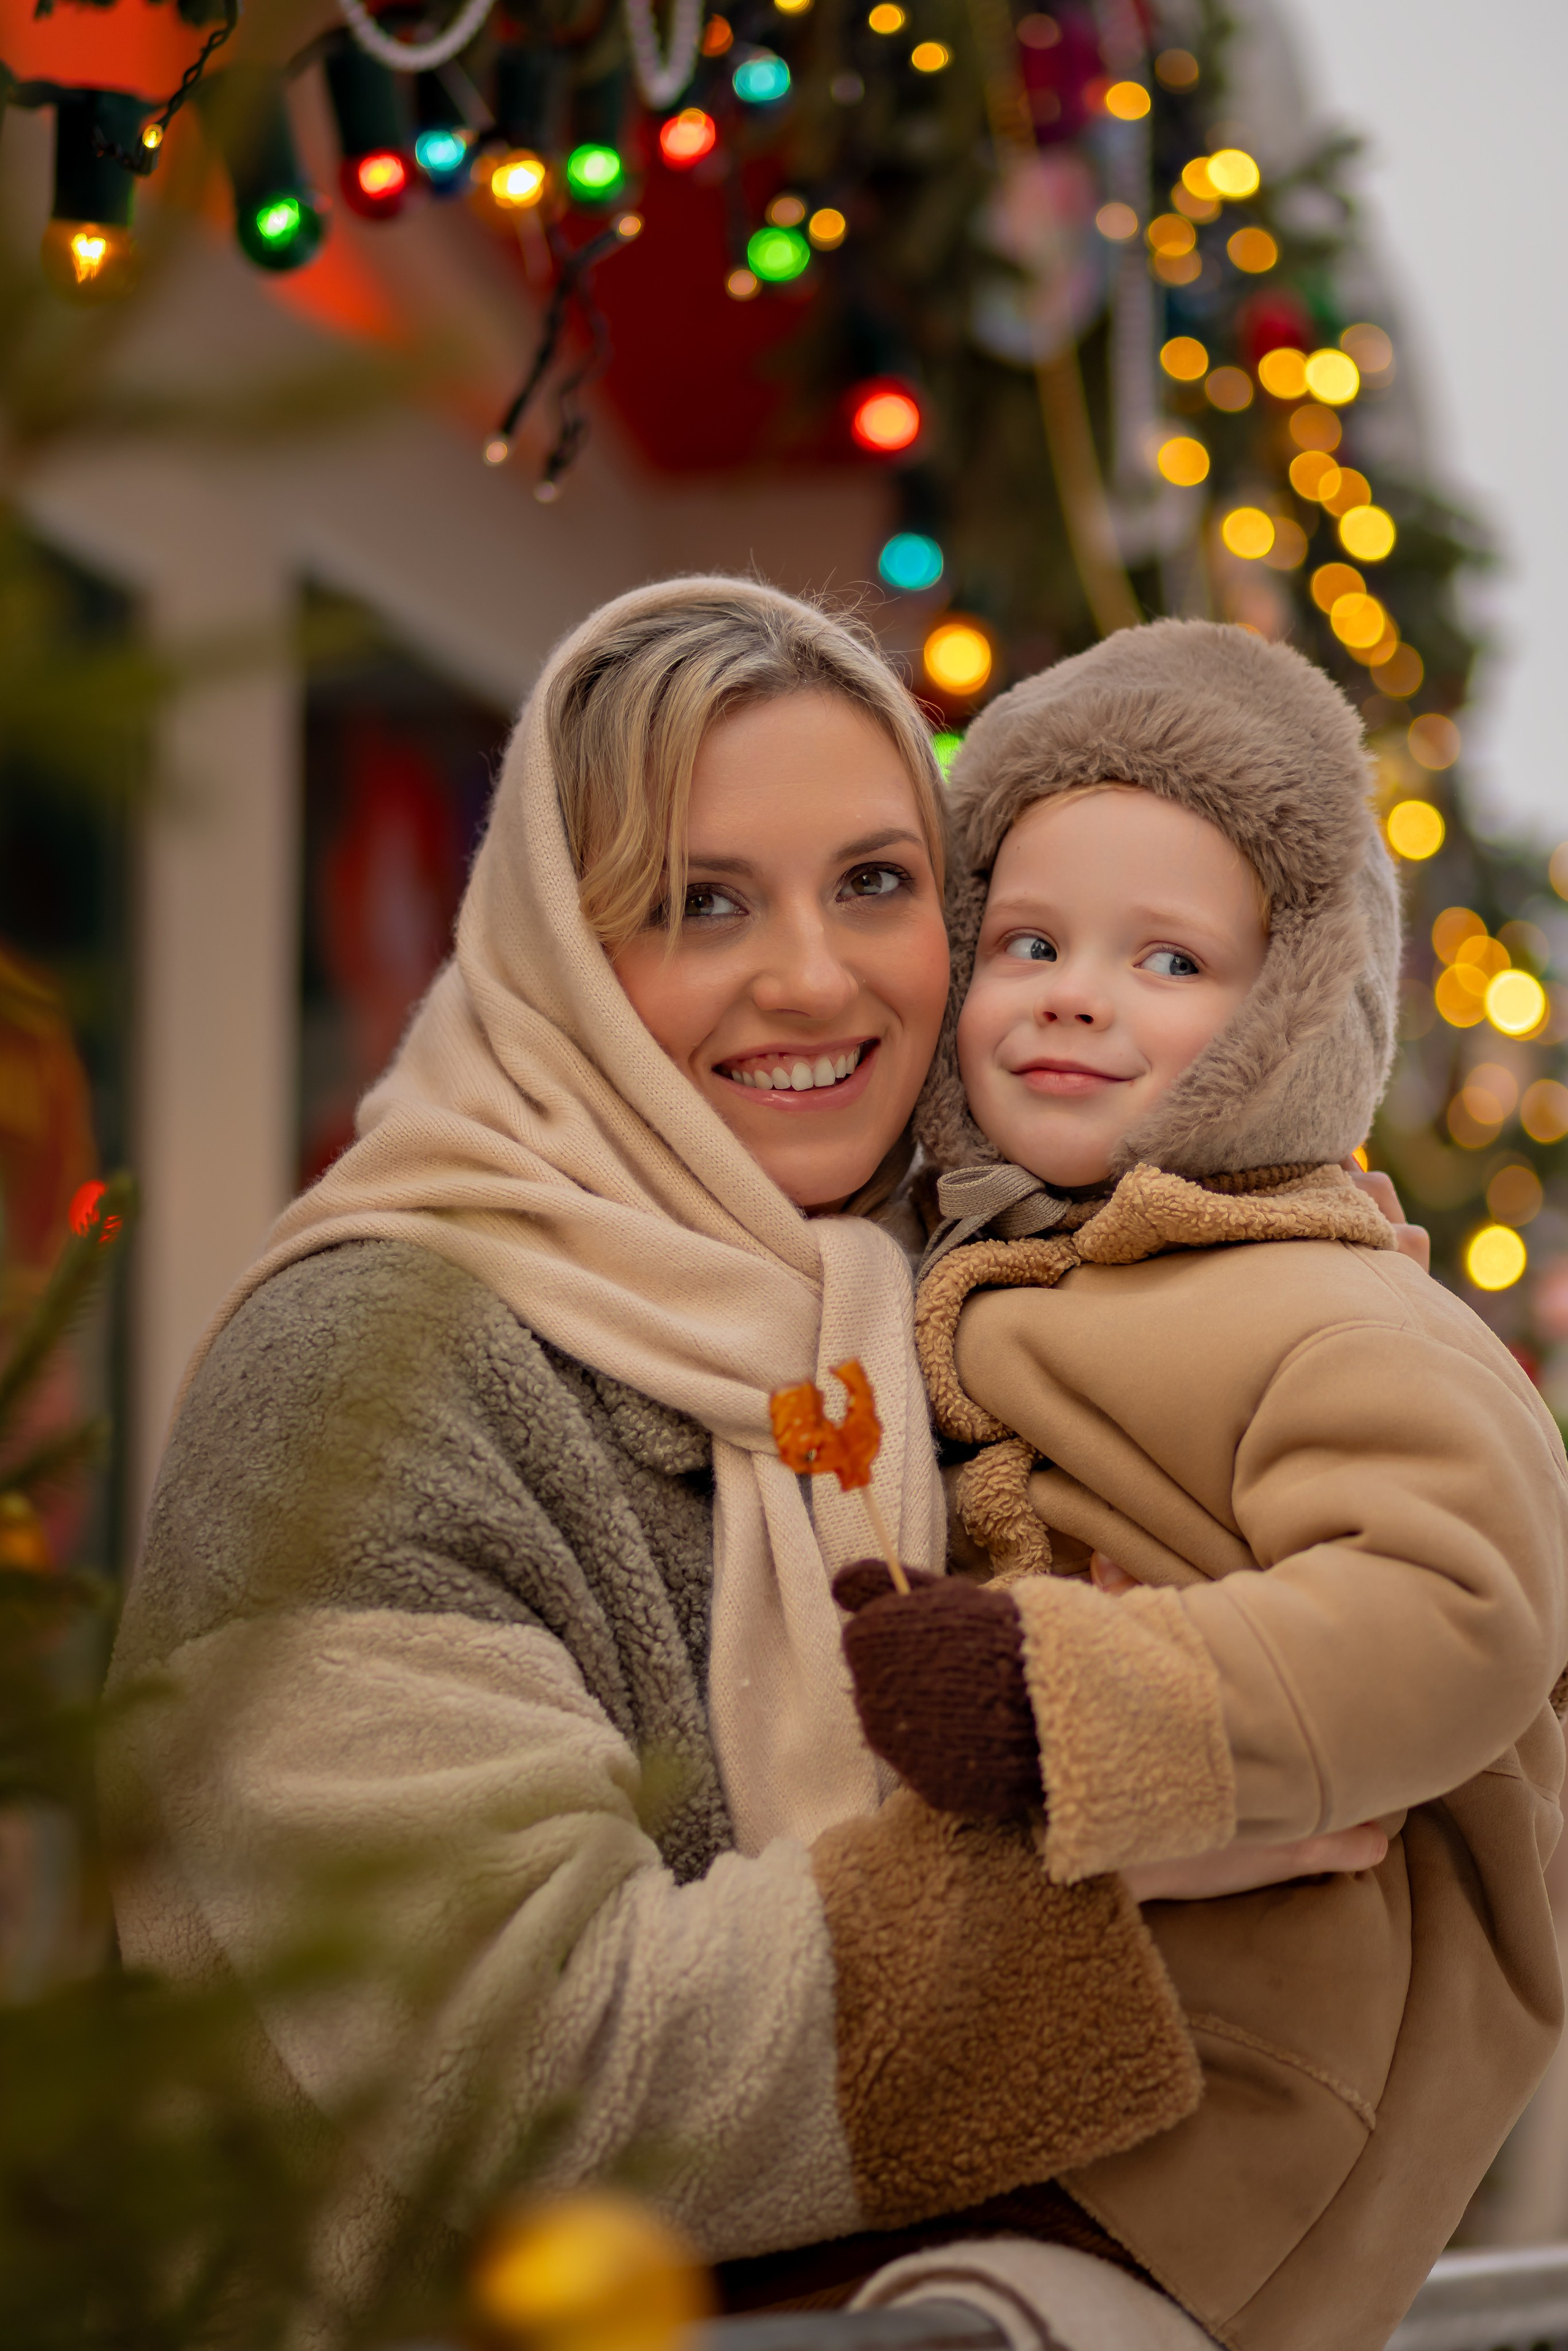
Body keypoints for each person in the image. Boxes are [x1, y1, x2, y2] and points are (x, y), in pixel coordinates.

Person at [107, 581, 1389, 2348]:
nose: (813, 975)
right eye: (701, 903)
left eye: (875, 882)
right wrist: (1121, 1834)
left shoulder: (934, 1316)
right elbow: (503, 2065)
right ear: (560, 953)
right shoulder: (359, 1375)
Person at [837, 620, 1568, 2351]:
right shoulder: (979, 1263)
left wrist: (1071, 1697)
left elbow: (1464, 1603)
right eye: (1027, 942)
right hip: (1013, 2023)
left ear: (1290, 1010)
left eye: (1168, 962)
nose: (1077, 992)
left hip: (1243, 2080)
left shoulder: (1328, 1300)